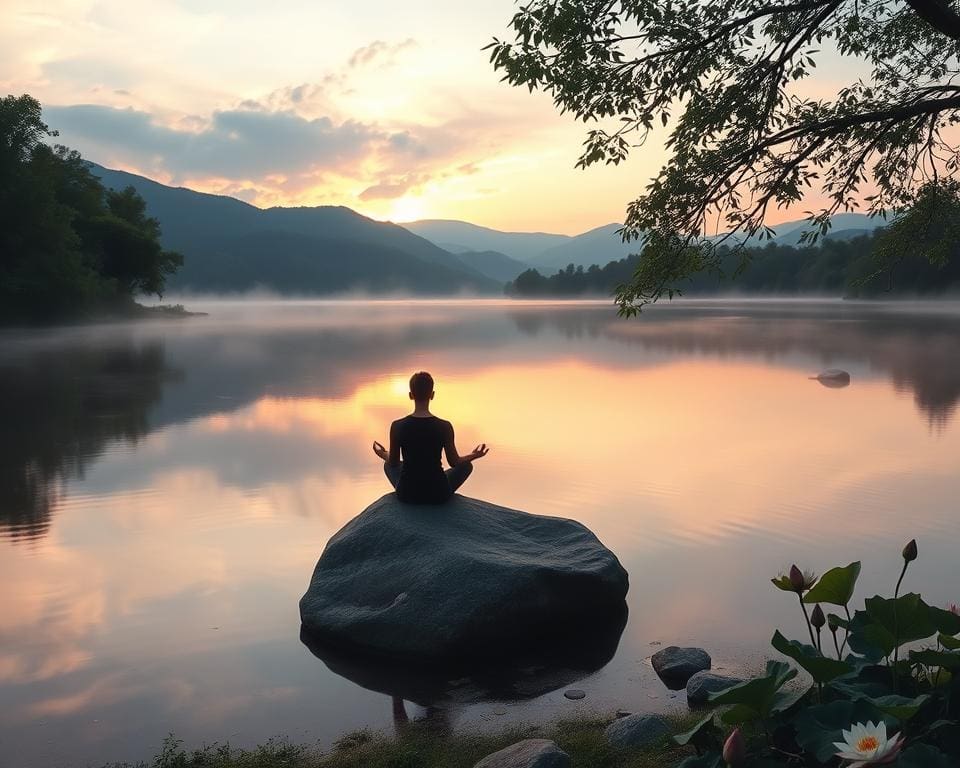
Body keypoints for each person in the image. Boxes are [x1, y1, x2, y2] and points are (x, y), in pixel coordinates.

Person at [372, 371, 488, 503]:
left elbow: (393, 462)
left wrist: (383, 453)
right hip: (438, 493)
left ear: (411, 395)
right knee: (467, 466)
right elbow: (454, 462)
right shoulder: (445, 426)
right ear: (432, 395)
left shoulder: (397, 426)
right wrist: (474, 455)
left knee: (388, 465)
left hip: (407, 493)